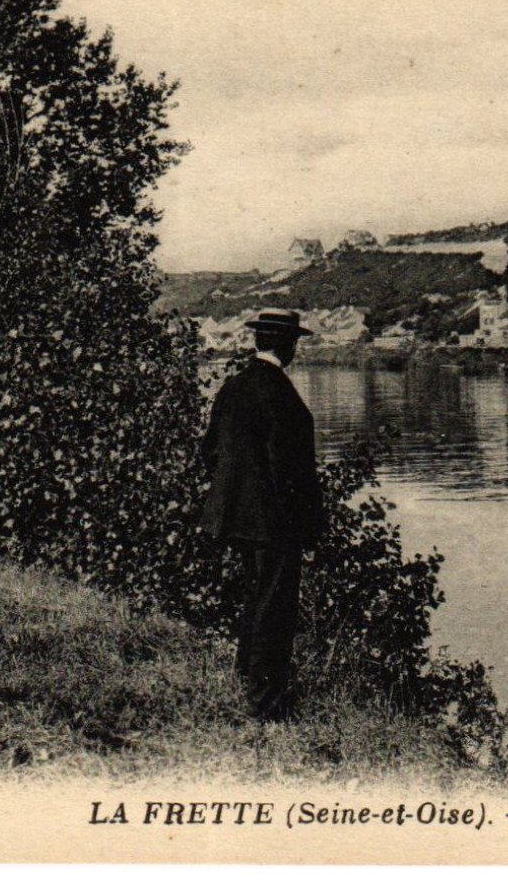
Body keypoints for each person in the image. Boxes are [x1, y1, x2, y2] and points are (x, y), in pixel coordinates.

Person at [199, 308, 327, 721]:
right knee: (275, 608)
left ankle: (245, 683)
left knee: (255, 598)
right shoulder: (281, 396)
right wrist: (309, 531)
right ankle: (267, 704)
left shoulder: (232, 388)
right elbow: (292, 473)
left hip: (234, 518)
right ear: (290, 346)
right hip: (275, 523)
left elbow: (211, 453)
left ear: (257, 341)